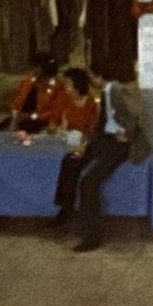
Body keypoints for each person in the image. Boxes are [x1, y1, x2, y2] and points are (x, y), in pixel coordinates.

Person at [69, 79, 151, 253]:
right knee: (72, 165)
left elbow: (136, 117)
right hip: (106, 141)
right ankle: (72, 219)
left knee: (89, 182)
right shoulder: (109, 92)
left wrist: (127, 134)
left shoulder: (117, 92)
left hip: (118, 144)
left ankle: (92, 236)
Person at [48, 69, 102, 221]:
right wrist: (59, 129)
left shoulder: (91, 104)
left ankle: (68, 208)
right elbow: (53, 123)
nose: (65, 88)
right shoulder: (63, 99)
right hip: (62, 141)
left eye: (68, 85)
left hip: (80, 144)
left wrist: (79, 136)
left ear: (78, 86)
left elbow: (91, 129)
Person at [5, 55, 60, 133]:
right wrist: (15, 113)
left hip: (41, 123)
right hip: (19, 119)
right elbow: (16, 100)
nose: (33, 70)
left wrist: (31, 116)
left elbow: (55, 112)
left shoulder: (56, 87)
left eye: (36, 67)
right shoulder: (28, 81)